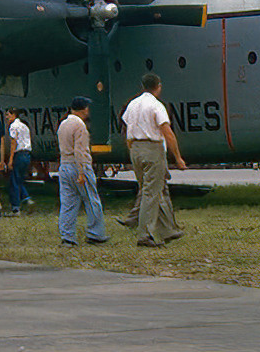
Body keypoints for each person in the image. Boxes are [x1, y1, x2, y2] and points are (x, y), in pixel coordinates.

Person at [118, 73, 187, 247]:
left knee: (154, 189)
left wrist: (132, 151)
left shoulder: (132, 105)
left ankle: (168, 230)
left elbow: (127, 129)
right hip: (152, 148)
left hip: (135, 148)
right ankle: (145, 235)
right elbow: (167, 133)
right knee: (151, 192)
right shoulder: (156, 106)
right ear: (158, 86)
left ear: (142, 86)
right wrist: (177, 157)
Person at [56, 96, 106, 246]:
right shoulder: (80, 126)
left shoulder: (63, 124)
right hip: (78, 165)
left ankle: (67, 236)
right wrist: (81, 172)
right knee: (91, 200)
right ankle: (95, 233)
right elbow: (80, 151)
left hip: (64, 165)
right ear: (84, 109)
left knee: (68, 203)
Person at [5, 107, 33, 215]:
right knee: (19, 179)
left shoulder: (13, 126)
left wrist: (10, 159)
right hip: (27, 154)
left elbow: (13, 143)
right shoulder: (24, 126)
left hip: (19, 154)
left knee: (14, 181)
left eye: (8, 115)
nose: (7, 118)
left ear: (13, 115)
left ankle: (16, 207)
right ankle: (26, 198)